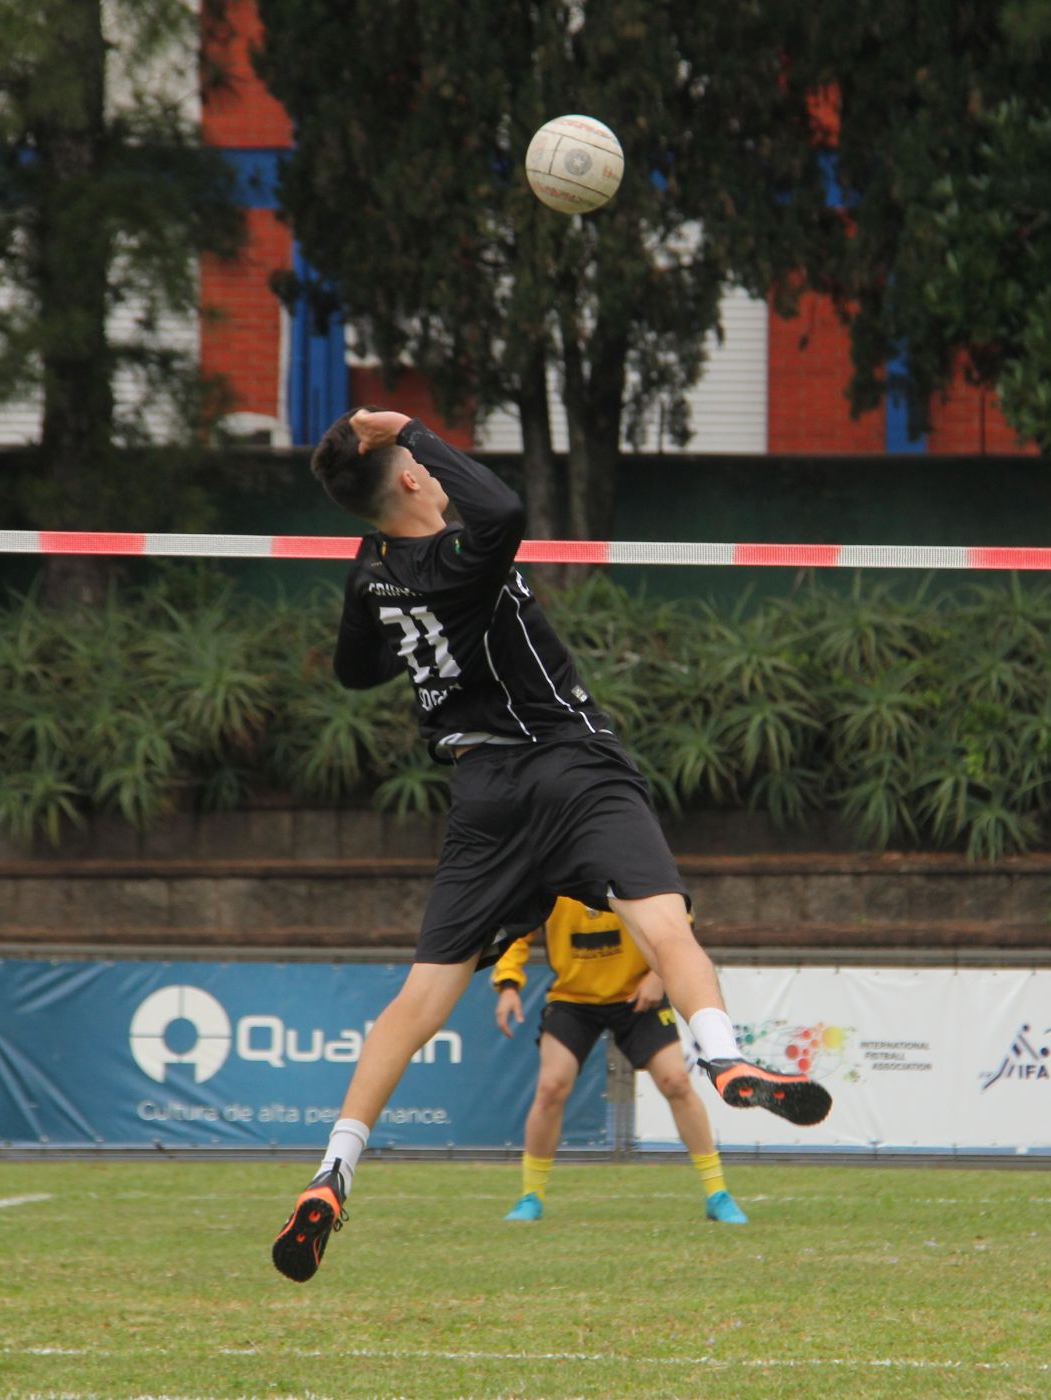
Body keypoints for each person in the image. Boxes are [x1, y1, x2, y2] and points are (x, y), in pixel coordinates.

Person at [271, 408, 830, 1284]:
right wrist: (413, 428)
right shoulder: (467, 553)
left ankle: (333, 1169)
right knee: (669, 926)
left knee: (415, 1005)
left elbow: (352, 669)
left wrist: (420, 641)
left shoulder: (374, 573)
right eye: (423, 464)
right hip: (571, 768)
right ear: (414, 479)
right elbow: (504, 511)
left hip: (482, 797)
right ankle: (720, 1056)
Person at [494, 896, 748, 1225]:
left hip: (637, 995)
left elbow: (677, 922)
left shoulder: (626, 866)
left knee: (677, 1082)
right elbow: (515, 927)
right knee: (551, 1088)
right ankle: (530, 1197)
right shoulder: (552, 874)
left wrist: (658, 976)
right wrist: (508, 984)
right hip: (573, 1000)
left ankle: (718, 1194)